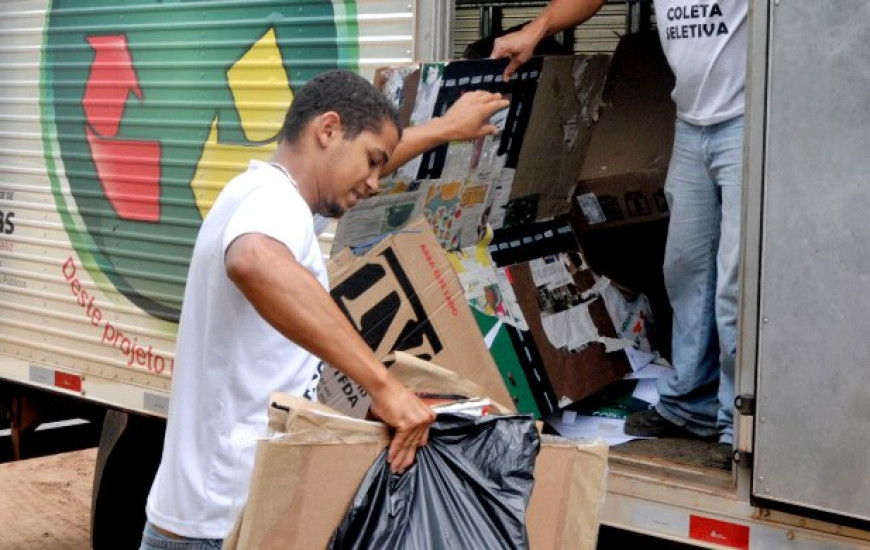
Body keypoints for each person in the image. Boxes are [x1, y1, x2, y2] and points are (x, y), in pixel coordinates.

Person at [140, 69, 510, 549]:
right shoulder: (274, 203)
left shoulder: (267, 196)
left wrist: (444, 129)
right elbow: (253, 260)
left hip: (216, 522)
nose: (376, 182)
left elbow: (363, 160)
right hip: (218, 530)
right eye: (372, 162)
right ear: (328, 130)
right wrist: (383, 386)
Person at [492, 0, 746, 469]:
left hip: (746, 121)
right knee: (685, 270)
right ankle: (690, 405)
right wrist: (536, 30)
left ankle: (739, 426)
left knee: (736, 284)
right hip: (691, 124)